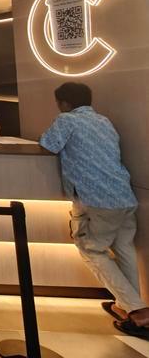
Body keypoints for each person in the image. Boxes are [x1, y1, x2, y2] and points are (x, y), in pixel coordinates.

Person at [39, 83, 149, 336]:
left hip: (96, 199)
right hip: (124, 196)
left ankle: (137, 310)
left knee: (91, 250)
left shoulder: (66, 120)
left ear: (64, 103)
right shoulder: (104, 121)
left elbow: (47, 145)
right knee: (124, 250)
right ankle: (128, 307)